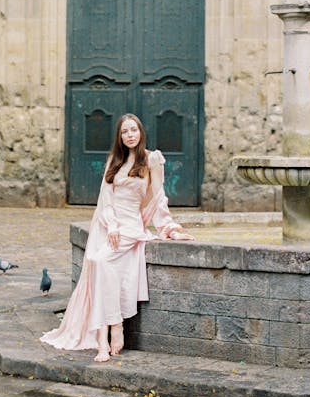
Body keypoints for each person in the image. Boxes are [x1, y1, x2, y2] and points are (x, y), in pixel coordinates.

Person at [40, 113, 194, 362]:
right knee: (100, 265)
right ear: (120, 137)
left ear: (141, 132)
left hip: (131, 227)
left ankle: (113, 329)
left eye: (134, 130)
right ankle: (107, 335)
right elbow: (106, 198)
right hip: (110, 227)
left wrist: (169, 227)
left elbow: (158, 198)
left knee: (101, 264)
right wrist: (111, 226)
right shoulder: (115, 160)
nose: (130, 135)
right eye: (125, 132)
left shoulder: (151, 160)